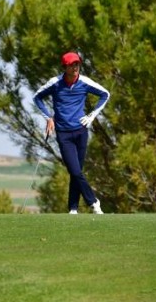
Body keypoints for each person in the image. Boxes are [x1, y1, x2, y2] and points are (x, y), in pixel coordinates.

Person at [33, 52, 110, 214]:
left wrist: (92, 115)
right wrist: (48, 117)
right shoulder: (55, 83)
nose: (75, 67)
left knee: (77, 171)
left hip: (81, 131)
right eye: (71, 65)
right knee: (74, 170)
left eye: (77, 64)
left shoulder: (84, 82)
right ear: (65, 67)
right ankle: (93, 201)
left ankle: (73, 208)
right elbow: (37, 97)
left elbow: (105, 94)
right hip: (63, 133)